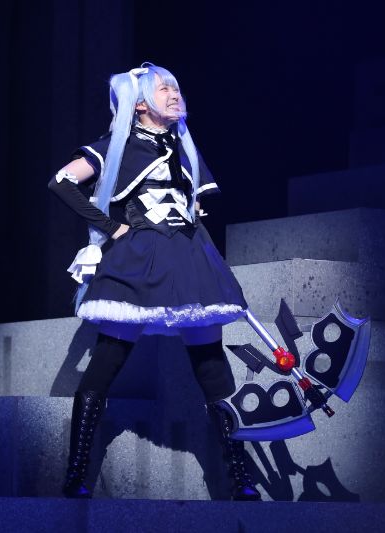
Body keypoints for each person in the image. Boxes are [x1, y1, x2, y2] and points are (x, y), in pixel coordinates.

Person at [48, 63, 261, 501]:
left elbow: (196, 201)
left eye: (176, 88)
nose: (174, 94)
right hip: (139, 257)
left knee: (213, 365)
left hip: (189, 255)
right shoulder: (118, 146)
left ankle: (240, 477)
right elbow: (61, 181)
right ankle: (76, 474)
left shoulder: (184, 148)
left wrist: (191, 209)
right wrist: (111, 227)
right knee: (107, 359)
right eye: (164, 89)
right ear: (140, 103)